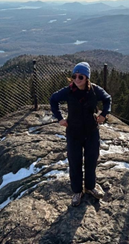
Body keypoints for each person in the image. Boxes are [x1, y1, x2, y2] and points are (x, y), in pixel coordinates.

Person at [50, 62, 112, 207]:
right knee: (75, 162)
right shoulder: (68, 91)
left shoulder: (94, 90)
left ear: (87, 78)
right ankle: (77, 191)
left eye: (81, 76)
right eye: (74, 76)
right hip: (74, 133)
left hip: (91, 132)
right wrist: (59, 118)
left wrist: (103, 114)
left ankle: (90, 187)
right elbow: (53, 99)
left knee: (91, 161)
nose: (77, 79)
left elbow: (107, 99)